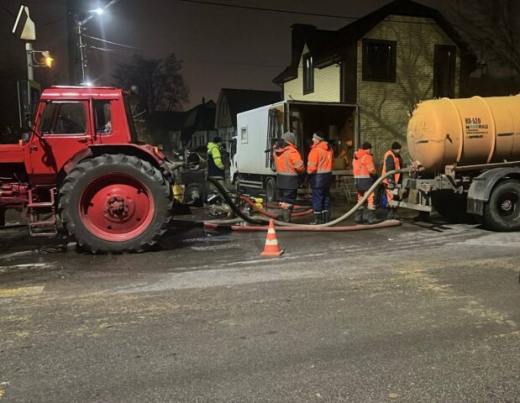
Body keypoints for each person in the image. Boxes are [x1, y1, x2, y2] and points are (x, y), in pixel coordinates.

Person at [273, 131, 305, 222]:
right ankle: (286, 221)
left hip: (280, 179)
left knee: (283, 201)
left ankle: (283, 218)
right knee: (289, 201)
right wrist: (303, 173)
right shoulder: (292, 151)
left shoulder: (276, 150)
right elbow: (300, 167)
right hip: (291, 181)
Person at [307, 131, 334, 224]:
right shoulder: (329, 150)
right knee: (326, 197)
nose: (312, 139)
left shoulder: (315, 150)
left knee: (317, 198)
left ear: (318, 140)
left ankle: (318, 219)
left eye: (314, 138)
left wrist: (307, 175)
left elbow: (311, 168)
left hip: (318, 178)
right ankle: (326, 218)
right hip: (327, 177)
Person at [353, 142, 379, 224]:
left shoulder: (355, 157)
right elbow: (371, 170)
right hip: (366, 181)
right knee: (371, 198)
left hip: (357, 181)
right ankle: (371, 218)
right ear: (368, 149)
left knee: (360, 199)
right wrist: (376, 176)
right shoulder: (367, 157)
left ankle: (358, 217)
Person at [382, 141, 404, 219]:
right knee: (390, 196)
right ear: (395, 149)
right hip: (390, 180)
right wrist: (390, 181)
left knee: (395, 196)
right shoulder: (390, 155)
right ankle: (390, 212)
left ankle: (394, 211)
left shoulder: (396, 155)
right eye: (399, 149)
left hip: (395, 180)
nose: (400, 150)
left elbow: (399, 167)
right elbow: (389, 169)